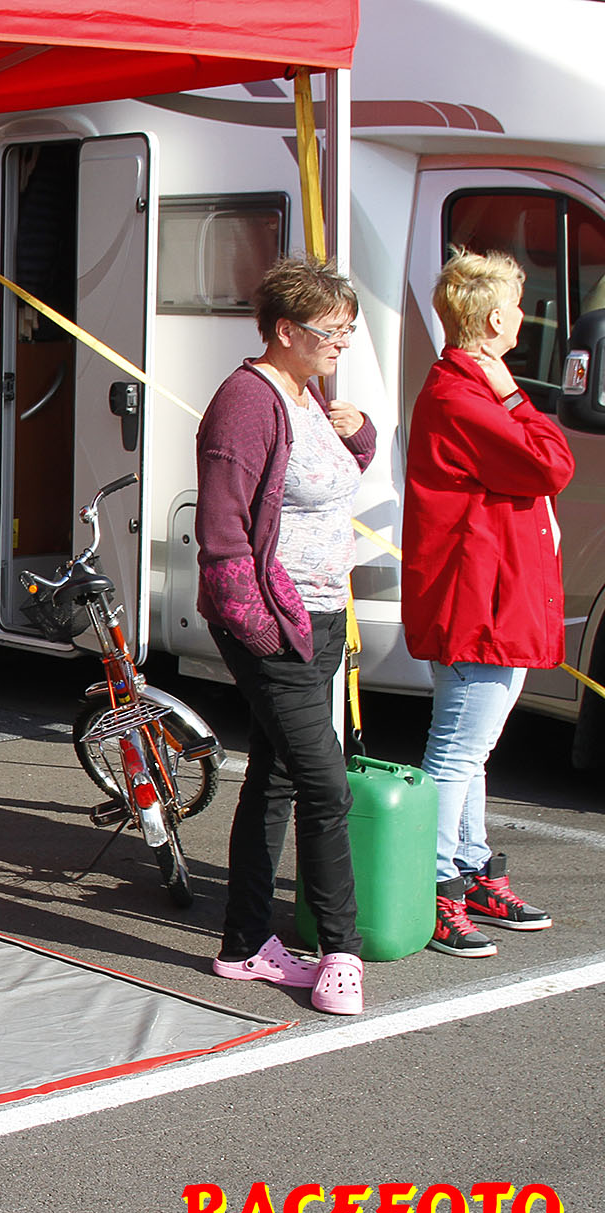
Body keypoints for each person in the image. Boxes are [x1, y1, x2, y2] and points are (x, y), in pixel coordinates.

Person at [195, 257, 376, 1016]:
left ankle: (245, 946)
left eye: (348, 328)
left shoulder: (310, 393)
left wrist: (360, 436)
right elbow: (222, 532)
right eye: (330, 330)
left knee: (274, 777)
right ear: (283, 330)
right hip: (277, 623)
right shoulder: (247, 400)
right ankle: (341, 952)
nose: (342, 342)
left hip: (322, 616)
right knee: (326, 785)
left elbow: (324, 486)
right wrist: (259, 628)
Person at [403, 248, 575, 957]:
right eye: (518, 305)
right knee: (458, 752)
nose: (524, 317)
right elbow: (552, 463)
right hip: (479, 601)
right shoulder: (465, 396)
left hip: (486, 595)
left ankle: (468, 870)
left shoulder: (458, 389)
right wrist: (512, 396)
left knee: (472, 750)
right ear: (497, 318)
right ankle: (436, 885)